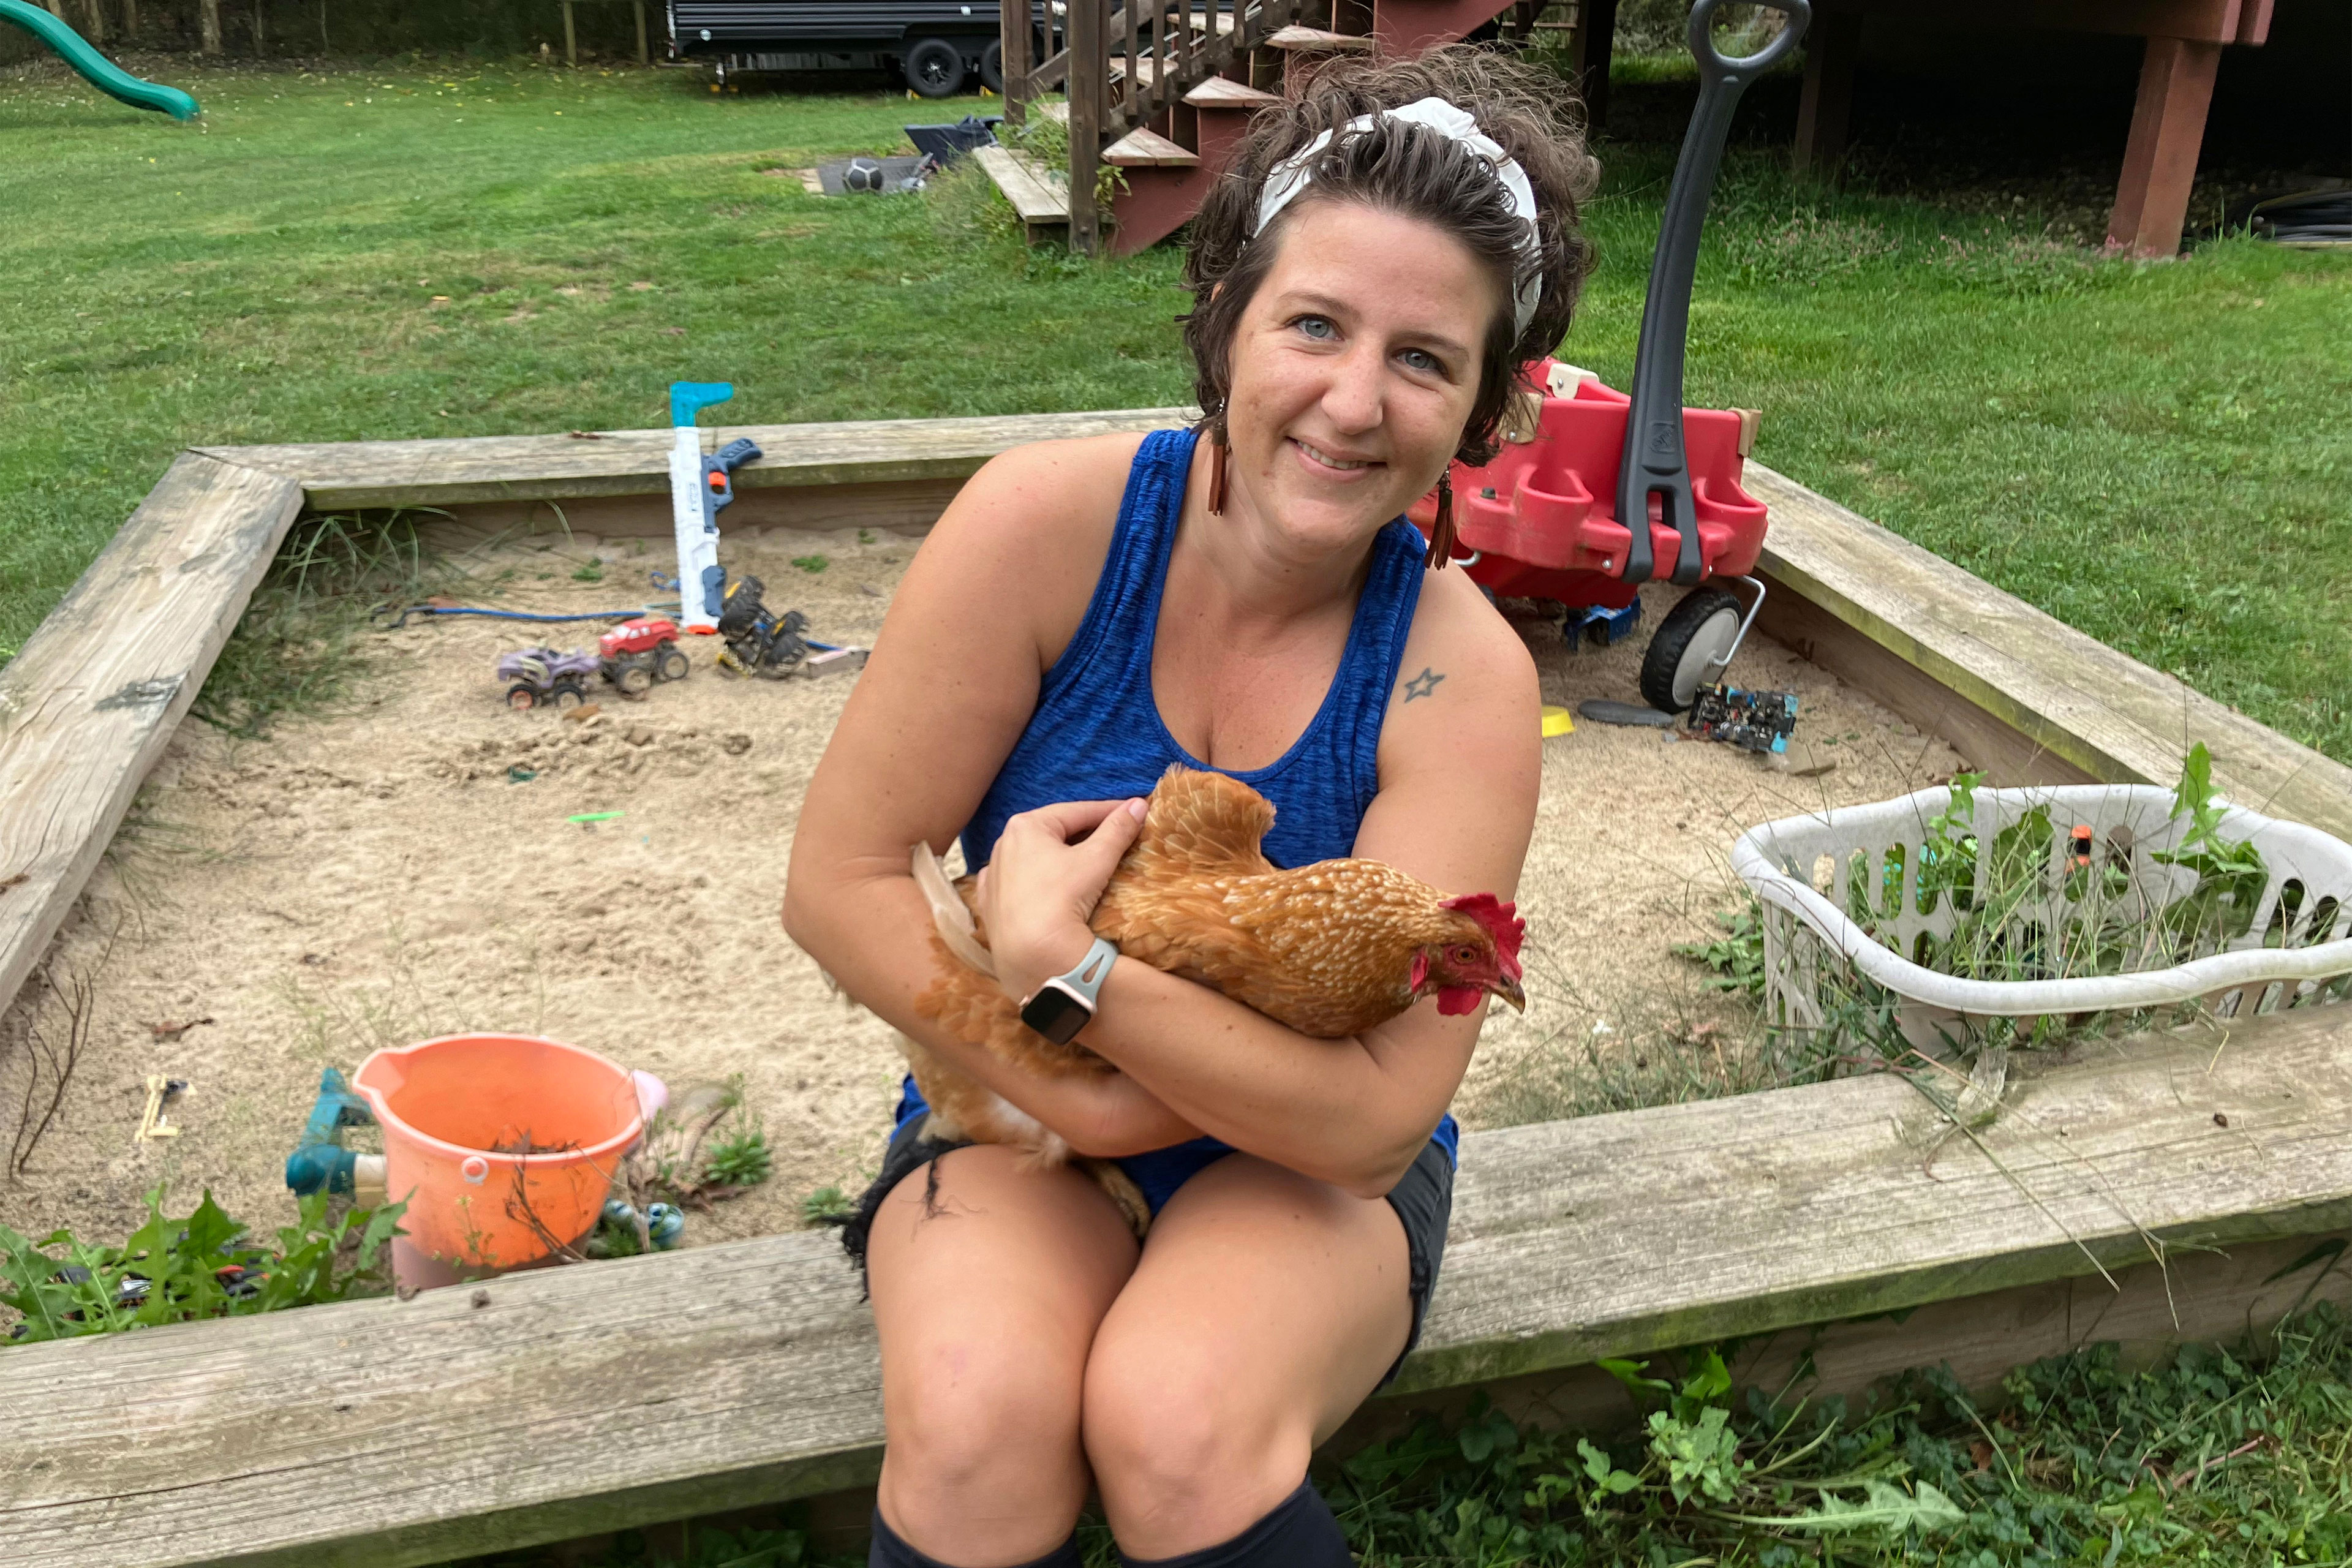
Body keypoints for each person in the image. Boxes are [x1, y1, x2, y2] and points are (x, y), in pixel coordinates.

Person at [783, 45, 1597, 1568]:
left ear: (1488, 402)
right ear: (1227, 320)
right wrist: (1075, 1082)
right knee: (973, 1417)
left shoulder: (1458, 675)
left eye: (1425, 358)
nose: (1354, 402)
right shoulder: (1042, 529)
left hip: (1298, 1160)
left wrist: (1066, 968)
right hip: (1011, 1099)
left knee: (1179, 1418)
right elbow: (836, 878)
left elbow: (1366, 1120)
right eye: (1314, 324)